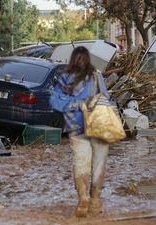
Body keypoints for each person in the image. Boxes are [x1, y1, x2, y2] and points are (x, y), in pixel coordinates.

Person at [50, 46, 110, 217]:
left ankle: (83, 198)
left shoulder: (66, 78)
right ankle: (96, 201)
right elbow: (105, 98)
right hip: (96, 126)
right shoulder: (97, 75)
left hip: (76, 128)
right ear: (89, 58)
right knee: (98, 165)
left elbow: (55, 101)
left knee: (81, 163)